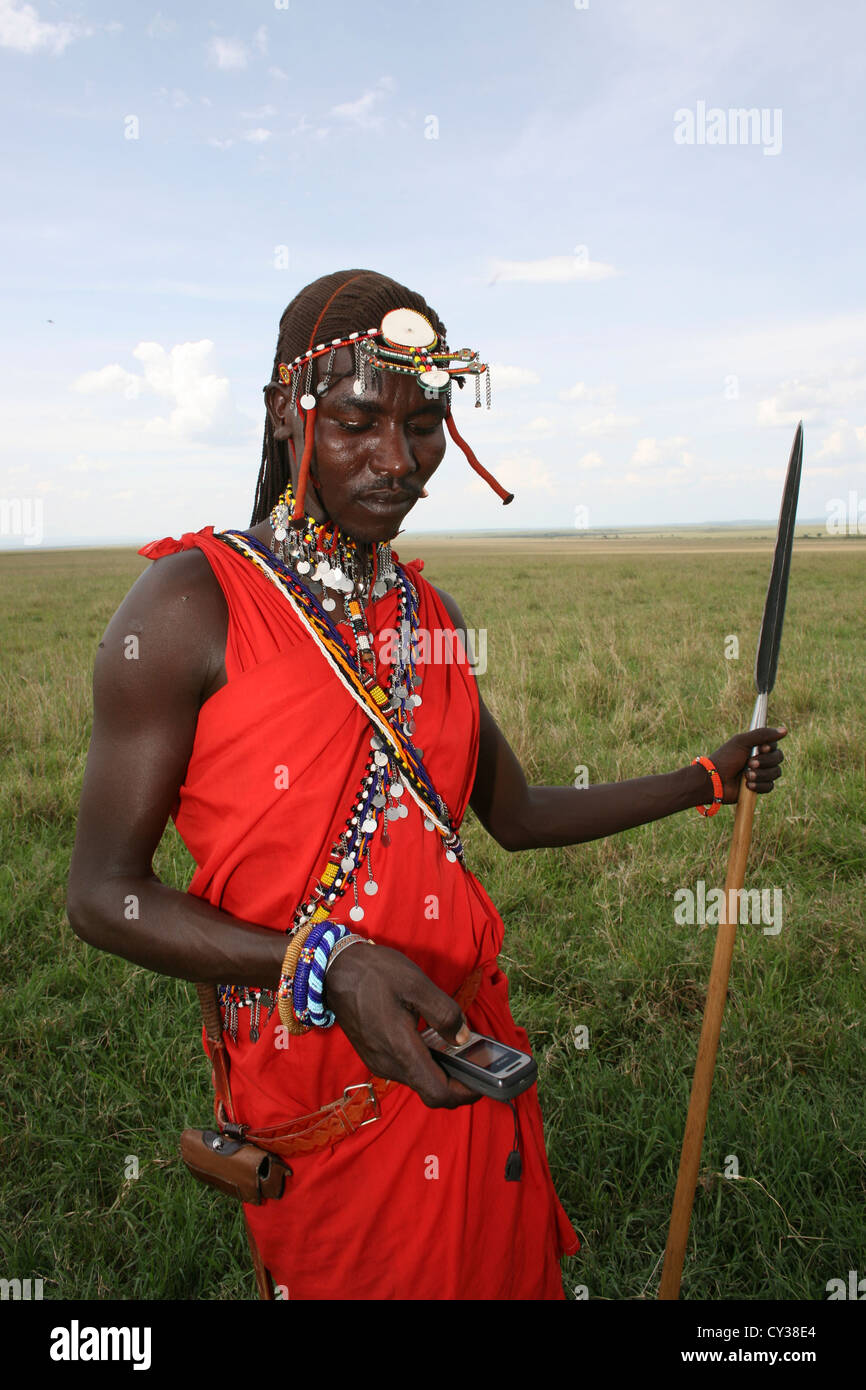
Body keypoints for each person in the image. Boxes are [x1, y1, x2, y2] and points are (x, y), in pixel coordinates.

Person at [66, 268, 787, 1301]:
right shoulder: (188, 603)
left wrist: (701, 779)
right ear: (286, 412)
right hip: (319, 1089)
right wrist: (326, 961)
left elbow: (520, 813)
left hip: (458, 1055)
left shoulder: (428, 615)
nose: (398, 462)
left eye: (425, 425)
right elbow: (101, 894)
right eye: (359, 421)